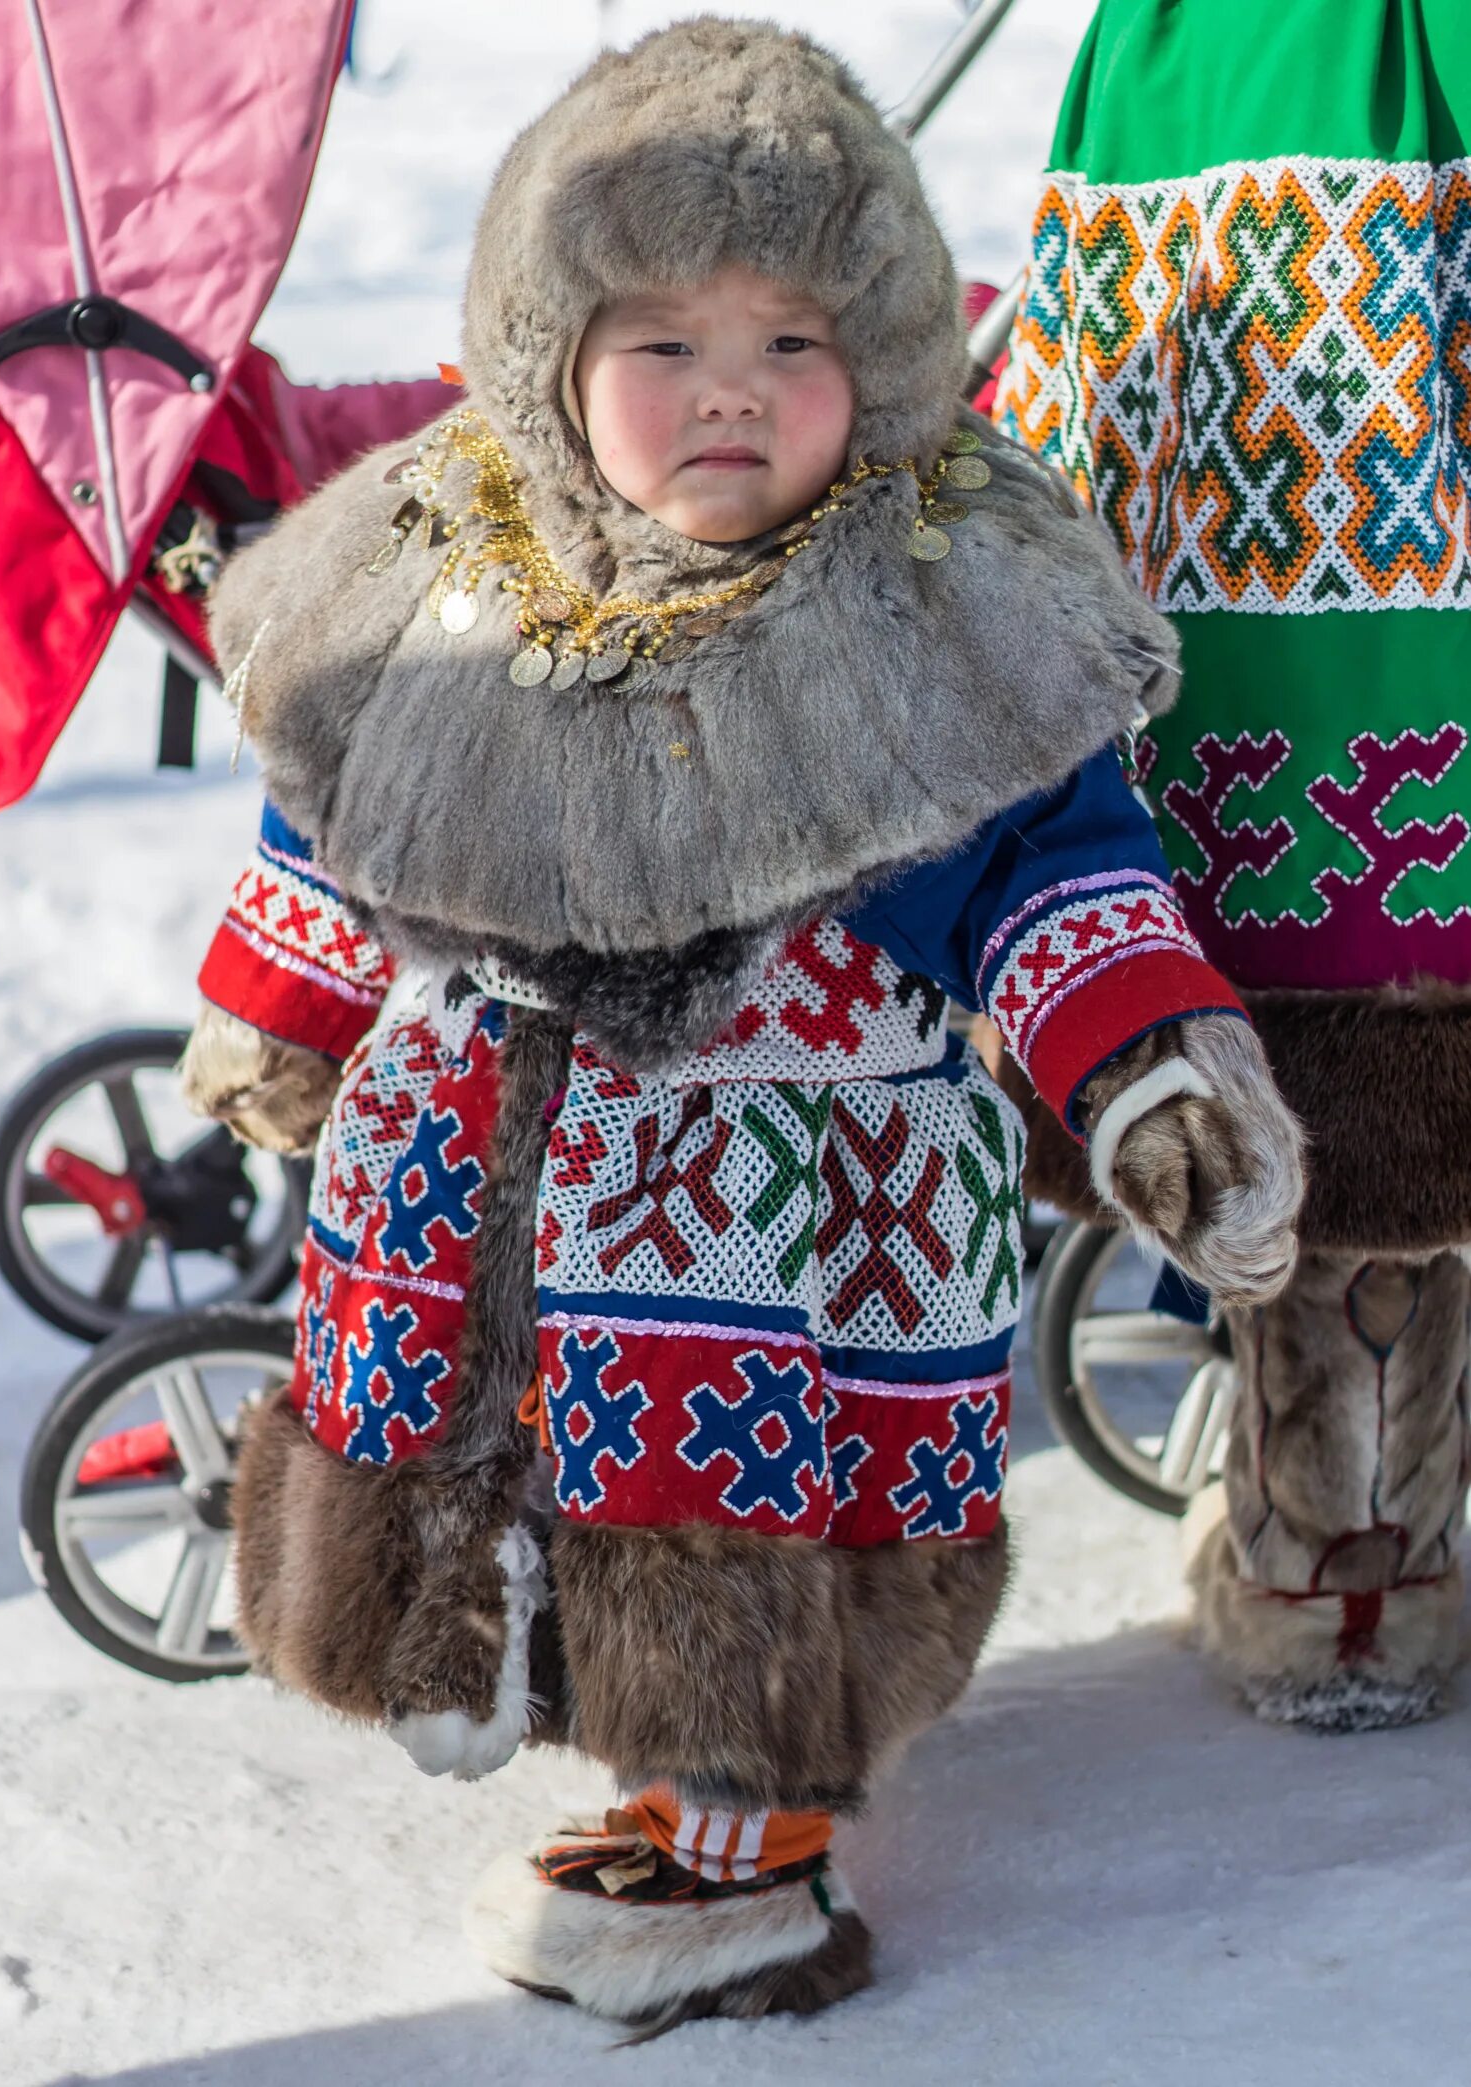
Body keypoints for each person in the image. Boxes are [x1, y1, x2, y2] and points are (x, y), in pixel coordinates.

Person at [182, 19, 1303, 2031]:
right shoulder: (450, 562)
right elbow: (341, 798)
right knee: (492, 1460)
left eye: (793, 341)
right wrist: (285, 1002)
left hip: (796, 1197)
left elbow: (1059, 869)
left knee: (726, 1478)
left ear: (878, 360)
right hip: (488, 1149)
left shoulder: (930, 601)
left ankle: (742, 1834)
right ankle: (521, 1679)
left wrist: (1146, 1068)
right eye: (664, 343)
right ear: (546, 353)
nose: (734, 396)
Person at [999, 0, 1471, 1734]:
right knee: (1420, 1088)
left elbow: (1077, 411)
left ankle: (1309, 1568)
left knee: (1299, 1080)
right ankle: (1399, 1560)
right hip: (1432, 700)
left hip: (1247, 680)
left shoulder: (1164, 51)